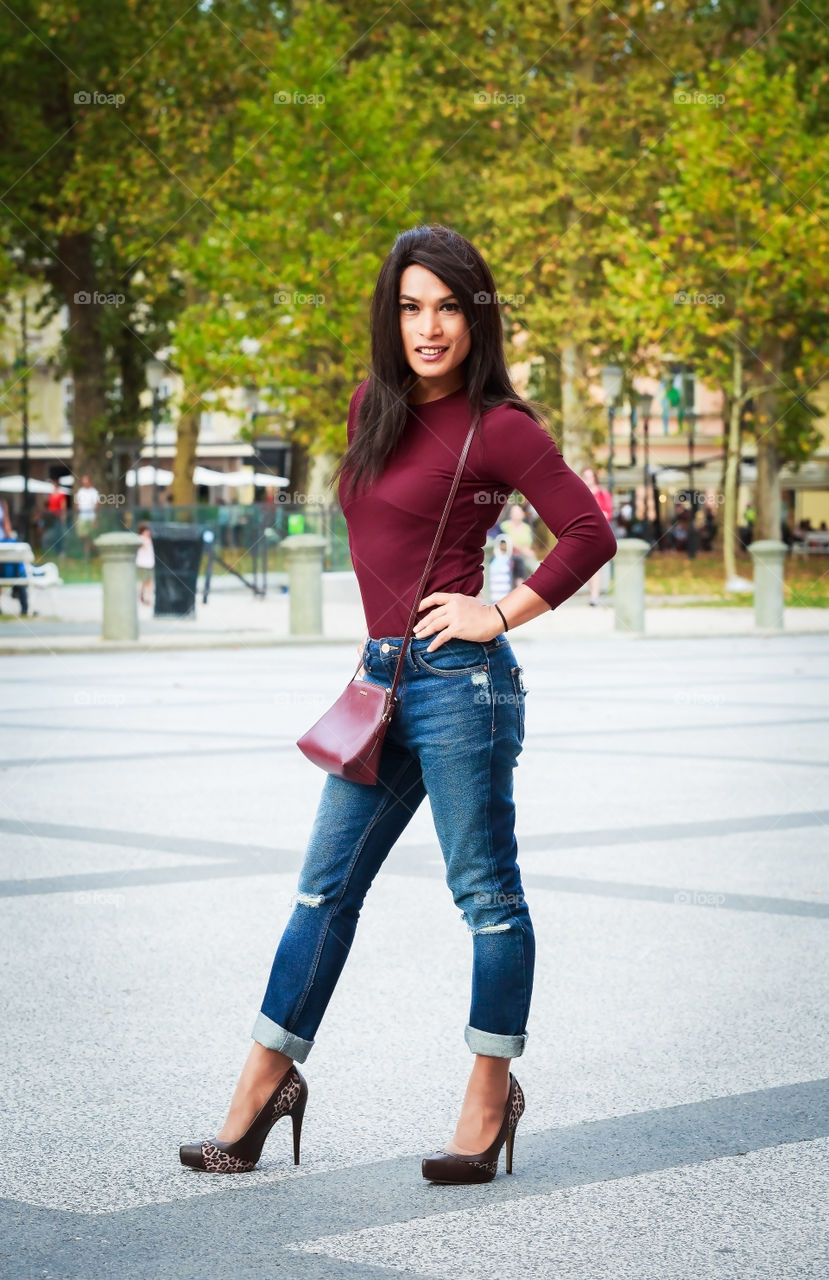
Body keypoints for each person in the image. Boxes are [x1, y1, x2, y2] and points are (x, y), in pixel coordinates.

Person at [178, 224, 616, 1185]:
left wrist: (496, 612)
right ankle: (259, 1093)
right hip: (382, 684)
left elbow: (587, 530)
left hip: (462, 686)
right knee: (322, 889)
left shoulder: (500, 425)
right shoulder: (367, 408)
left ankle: (488, 1095)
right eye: (413, 306)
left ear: (476, 316)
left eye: (450, 306)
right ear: (391, 314)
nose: (430, 327)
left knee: (485, 894)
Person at [581, 467, 613, 604]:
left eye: (589, 476)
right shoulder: (580, 493)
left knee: (595, 565)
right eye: (584, 476)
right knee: (584, 565)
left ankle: (594, 596)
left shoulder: (603, 494)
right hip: (584, 531)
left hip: (598, 532)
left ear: (594, 478)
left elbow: (608, 513)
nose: (587, 479)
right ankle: (592, 592)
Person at [73, 475, 99, 556]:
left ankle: (88, 553)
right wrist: (77, 516)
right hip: (82, 517)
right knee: (82, 535)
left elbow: (96, 505)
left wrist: (95, 518)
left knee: (91, 535)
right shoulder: (80, 491)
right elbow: (77, 504)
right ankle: (88, 548)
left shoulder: (94, 491)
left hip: (91, 517)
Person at [489, 534, 515, 602]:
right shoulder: (492, 559)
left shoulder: (513, 559)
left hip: (507, 593)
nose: (503, 546)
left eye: (504, 544)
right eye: (501, 544)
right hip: (494, 593)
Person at [136, 522, 154, 605]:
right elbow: (142, 545)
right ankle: (142, 597)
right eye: (146, 530)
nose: (148, 532)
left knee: (149, 581)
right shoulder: (141, 538)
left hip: (150, 563)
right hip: (143, 564)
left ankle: (147, 598)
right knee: (145, 581)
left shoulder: (149, 539)